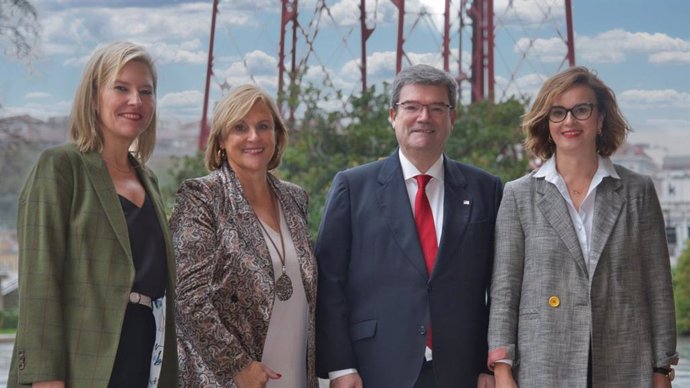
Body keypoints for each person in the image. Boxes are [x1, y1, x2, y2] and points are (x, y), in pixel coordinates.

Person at [487, 66, 678, 388]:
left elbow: (658, 287)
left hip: (625, 360)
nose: (570, 121)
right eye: (558, 113)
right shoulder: (519, 195)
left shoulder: (637, 191)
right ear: (546, 125)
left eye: (582, 110)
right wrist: (502, 370)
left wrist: (662, 368)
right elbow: (505, 291)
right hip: (543, 360)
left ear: (601, 118)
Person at [315, 64, 501, 388]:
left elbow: (500, 285)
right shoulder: (353, 186)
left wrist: (490, 363)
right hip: (374, 368)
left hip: (463, 372)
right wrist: (339, 366)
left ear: (452, 118)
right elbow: (329, 282)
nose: (424, 117)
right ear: (392, 115)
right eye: (412, 107)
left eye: (436, 108)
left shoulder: (486, 189)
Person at [7, 42, 178, 388]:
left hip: (146, 356)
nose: (136, 101)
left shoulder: (150, 180)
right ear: (93, 95)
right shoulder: (60, 168)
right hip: (83, 364)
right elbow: (41, 283)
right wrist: (45, 377)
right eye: (121, 88)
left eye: (146, 91)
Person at [171, 84, 317, 388]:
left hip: (295, 374)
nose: (254, 137)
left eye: (264, 126)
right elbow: (187, 296)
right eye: (240, 127)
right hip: (231, 379)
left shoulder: (295, 199)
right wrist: (237, 366)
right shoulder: (202, 196)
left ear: (277, 137)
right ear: (222, 140)